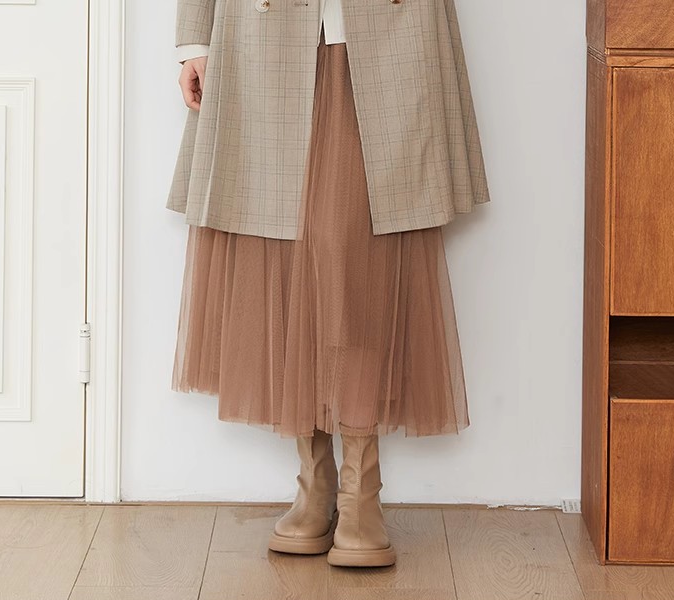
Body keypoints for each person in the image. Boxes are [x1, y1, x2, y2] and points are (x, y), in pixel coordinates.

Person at [168, 0, 491, 568]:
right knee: (283, 248)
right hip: (261, 29)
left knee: (360, 256)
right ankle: (315, 482)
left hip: (391, 26)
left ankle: (360, 491)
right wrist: (195, 41)